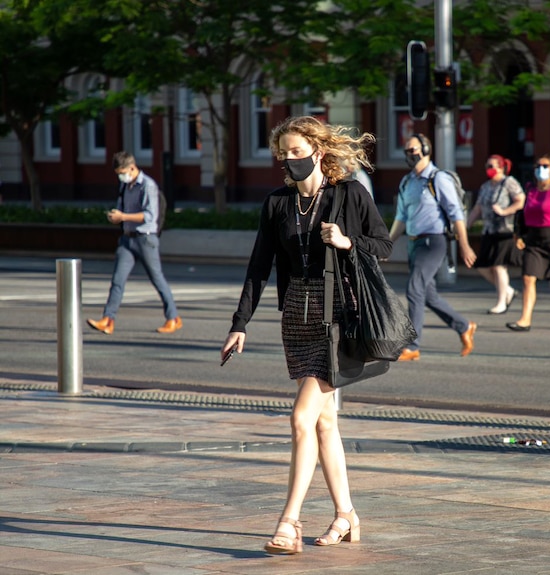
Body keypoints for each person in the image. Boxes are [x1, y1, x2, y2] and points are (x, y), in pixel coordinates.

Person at [221, 116, 391, 555]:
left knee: (301, 419)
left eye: (298, 151)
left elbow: (384, 245)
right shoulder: (278, 204)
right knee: (324, 421)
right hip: (296, 316)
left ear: (318, 150)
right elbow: (259, 267)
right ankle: (346, 514)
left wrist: (348, 242)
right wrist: (240, 324)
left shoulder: (349, 194)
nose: (290, 159)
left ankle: (289, 522)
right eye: (285, 154)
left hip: (337, 318)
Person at [389, 133, 477, 361]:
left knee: (414, 289)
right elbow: (401, 216)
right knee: (428, 295)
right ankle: (464, 326)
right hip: (414, 243)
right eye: (406, 150)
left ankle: (412, 345)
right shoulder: (407, 182)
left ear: (426, 149)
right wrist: (387, 243)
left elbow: (456, 214)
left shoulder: (438, 179)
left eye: (414, 149)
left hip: (434, 242)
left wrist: (464, 246)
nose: (410, 154)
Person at [87, 151, 181, 335]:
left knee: (157, 278)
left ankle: (173, 318)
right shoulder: (125, 187)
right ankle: (108, 319)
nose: (121, 177)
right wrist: (117, 217)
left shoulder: (148, 186)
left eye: (122, 172)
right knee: (117, 280)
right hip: (127, 238)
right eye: (118, 174)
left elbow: (149, 216)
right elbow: (122, 208)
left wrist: (124, 216)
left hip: (145, 238)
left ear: (132, 167)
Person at [506, 154, 550, 331]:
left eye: (545, 166)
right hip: (533, 240)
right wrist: (519, 236)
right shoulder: (530, 189)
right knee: (528, 277)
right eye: (538, 166)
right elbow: (522, 215)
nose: (541, 169)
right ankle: (525, 319)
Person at [466, 154, 525, 314]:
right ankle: (508, 291)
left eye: (492, 166)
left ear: (501, 167)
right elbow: (478, 208)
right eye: (487, 166)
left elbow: (521, 200)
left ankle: (501, 303)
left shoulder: (508, 182)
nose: (489, 169)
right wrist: (466, 225)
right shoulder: (485, 186)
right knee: (482, 266)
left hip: (504, 230)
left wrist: (505, 211)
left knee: (499, 266)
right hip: (488, 230)